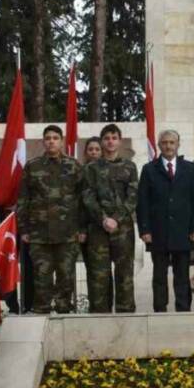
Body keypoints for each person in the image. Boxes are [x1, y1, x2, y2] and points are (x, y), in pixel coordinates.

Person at [18, 125, 84, 314]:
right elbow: (23, 199)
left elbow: (82, 199)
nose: (51, 141)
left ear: (61, 141)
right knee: (41, 276)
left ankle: (64, 308)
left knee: (66, 275)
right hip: (39, 233)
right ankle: (42, 310)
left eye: (55, 138)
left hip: (68, 232)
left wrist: (82, 229)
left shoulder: (73, 165)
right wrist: (24, 229)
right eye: (48, 138)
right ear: (43, 142)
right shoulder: (32, 166)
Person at [138, 130, 194, 312]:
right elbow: (143, 202)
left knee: (181, 275)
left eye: (172, 142)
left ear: (178, 144)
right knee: (159, 275)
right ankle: (160, 309)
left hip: (183, 232)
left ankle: (183, 309)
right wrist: (145, 230)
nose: (168, 146)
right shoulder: (149, 169)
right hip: (158, 232)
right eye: (164, 142)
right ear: (159, 146)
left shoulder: (190, 169)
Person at [83, 124, 138, 313]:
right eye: (106, 138)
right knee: (99, 275)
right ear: (102, 141)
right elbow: (88, 197)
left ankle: (126, 315)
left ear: (119, 141)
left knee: (124, 274)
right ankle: (100, 315)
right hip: (98, 229)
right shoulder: (91, 168)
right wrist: (103, 219)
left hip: (123, 229)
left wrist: (115, 219)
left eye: (114, 138)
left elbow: (133, 196)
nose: (110, 141)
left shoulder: (129, 166)